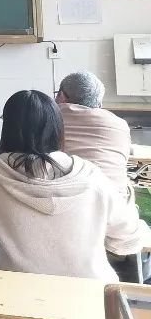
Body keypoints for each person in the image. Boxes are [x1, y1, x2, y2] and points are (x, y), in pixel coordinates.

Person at [0, 89, 149, 281]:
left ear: (7, 128)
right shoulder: (91, 175)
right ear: (58, 128)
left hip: (18, 290)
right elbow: (127, 240)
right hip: (90, 292)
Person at [57, 70, 149, 281]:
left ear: (62, 97)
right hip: (115, 228)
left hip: (64, 221)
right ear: (98, 103)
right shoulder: (119, 125)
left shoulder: (52, 117)